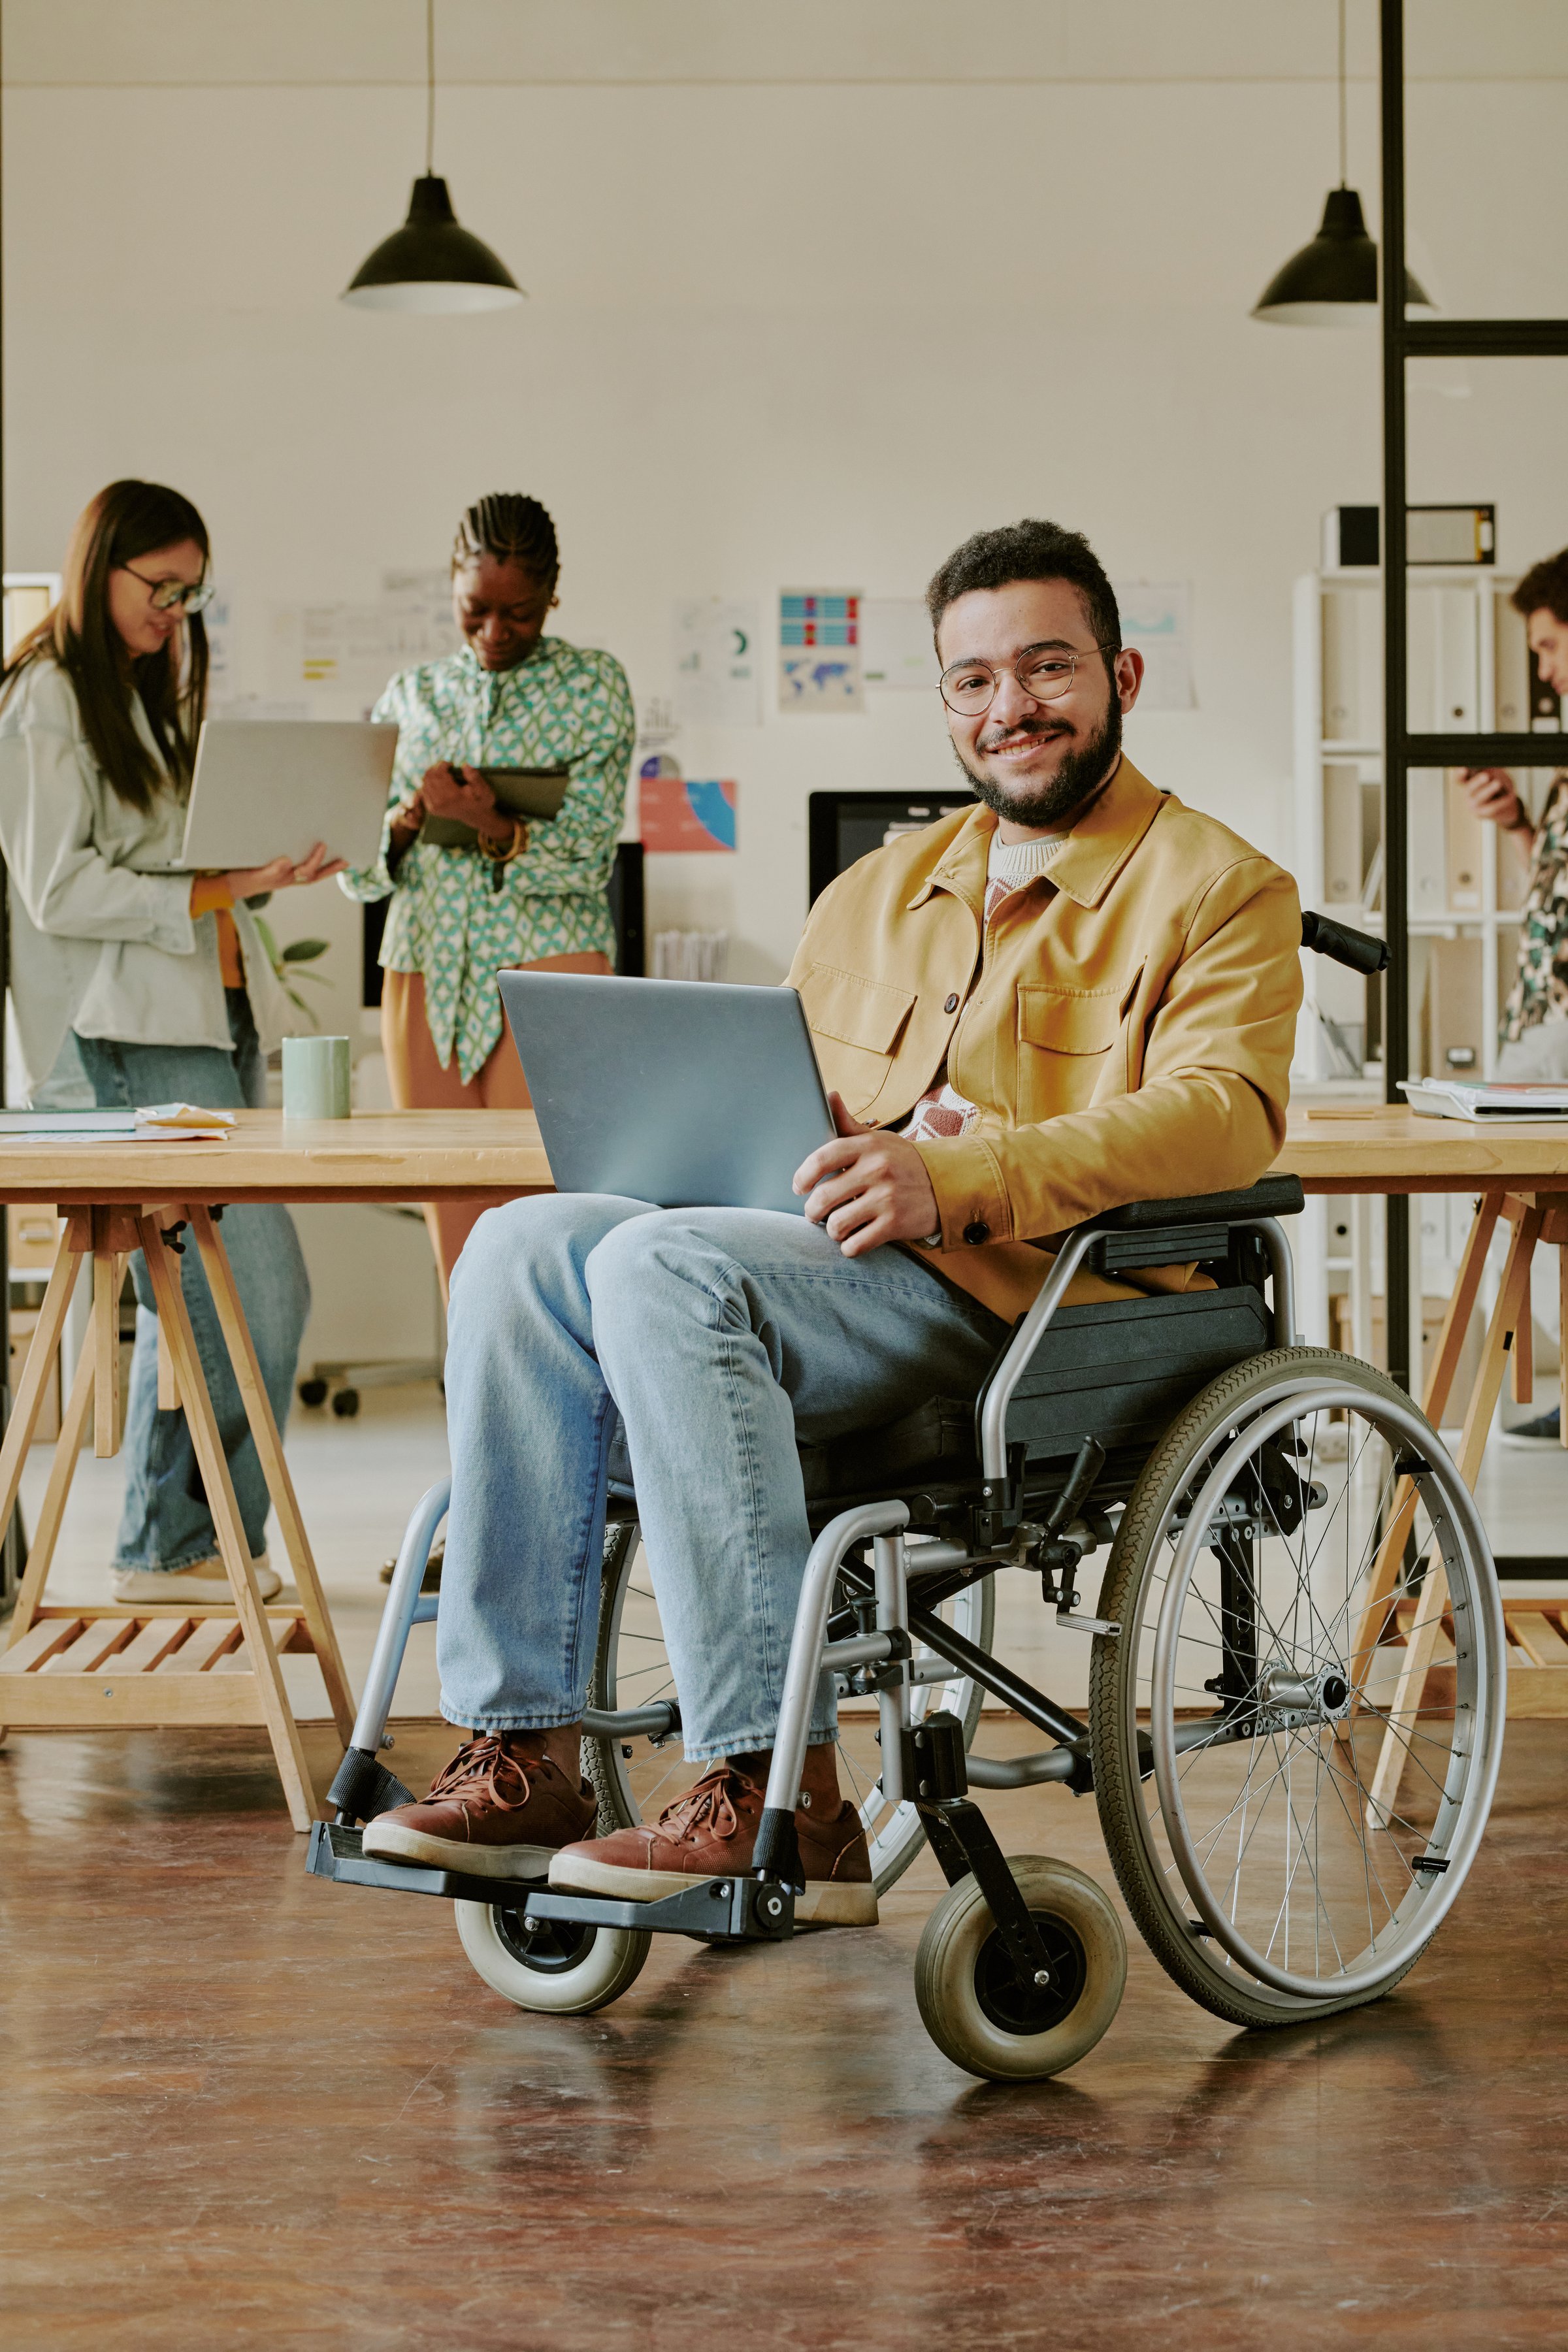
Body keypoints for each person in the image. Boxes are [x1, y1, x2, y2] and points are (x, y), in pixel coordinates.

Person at [363, 518, 1303, 1919]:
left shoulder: (1219, 888)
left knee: (664, 1269)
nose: (1012, 708)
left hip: (1027, 1314)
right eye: (974, 680)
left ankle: (775, 1788)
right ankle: (528, 1749)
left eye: (1047, 669)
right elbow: (781, 1112)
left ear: (1122, 674)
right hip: (825, 1277)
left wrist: (963, 1179)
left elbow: (1223, 1114)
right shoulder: (876, 893)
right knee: (521, 1241)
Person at [0, 480, 344, 1603]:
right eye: (162, 588)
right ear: (100, 566)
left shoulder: (140, 699)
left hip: (197, 1020)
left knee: (209, 1302)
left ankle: (178, 1545)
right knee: (254, 1295)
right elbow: (57, 888)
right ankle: (177, 1545)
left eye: (191, 595)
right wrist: (223, 882)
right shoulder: (46, 697)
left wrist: (263, 867)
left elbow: (172, 865)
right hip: (122, 1034)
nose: (175, 614)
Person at [340, 493, 634, 1292]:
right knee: (451, 1208)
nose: (496, 633)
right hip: (423, 968)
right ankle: (472, 1413)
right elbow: (355, 869)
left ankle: (570, 1415)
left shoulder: (594, 685)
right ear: (450, 588)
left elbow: (588, 854)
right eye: (475, 613)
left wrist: (492, 822)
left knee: (550, 1211)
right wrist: (406, 822)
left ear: (552, 597)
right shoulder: (408, 696)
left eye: (521, 614)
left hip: (549, 968)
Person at [1458, 548, 1568, 1442]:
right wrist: (1519, 826)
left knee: (1505, 1187)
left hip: (1563, 1022)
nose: (1544, 668)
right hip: (1547, 1010)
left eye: (1549, 645)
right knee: (1524, 1205)